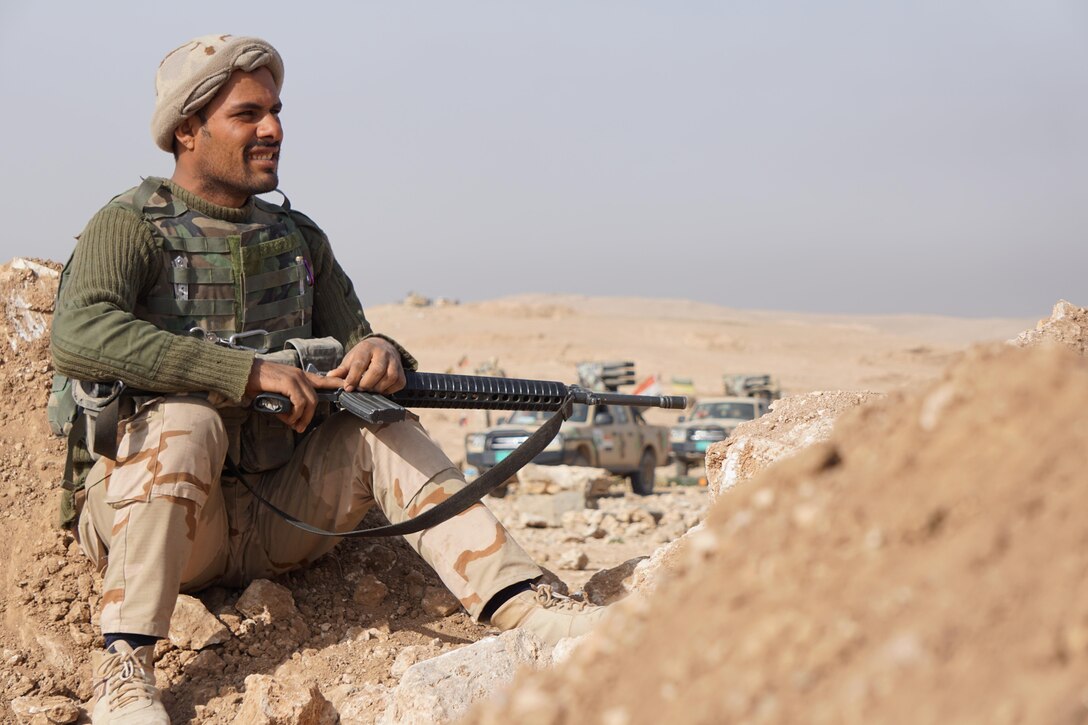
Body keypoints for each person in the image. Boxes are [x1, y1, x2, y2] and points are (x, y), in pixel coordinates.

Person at [50, 34, 604, 725]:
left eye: (276, 111)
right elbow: (77, 336)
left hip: (277, 515)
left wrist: (380, 352)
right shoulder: (130, 226)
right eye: (247, 114)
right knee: (184, 421)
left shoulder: (297, 238)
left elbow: (358, 341)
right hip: (156, 521)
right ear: (186, 130)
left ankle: (523, 602)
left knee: (382, 424)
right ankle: (126, 667)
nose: (273, 129)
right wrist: (243, 374)